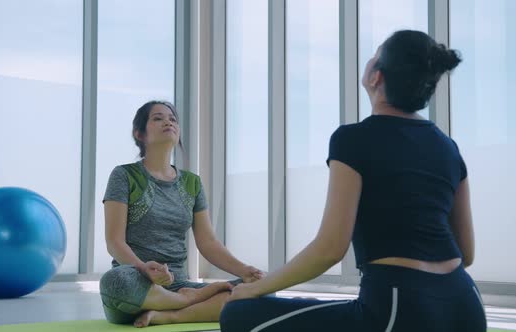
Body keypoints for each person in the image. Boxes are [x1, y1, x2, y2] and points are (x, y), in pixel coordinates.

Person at [220, 30, 487, 332]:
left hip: (399, 310)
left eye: (374, 55)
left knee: (237, 314)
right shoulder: (448, 146)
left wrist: (257, 288)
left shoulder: (353, 139)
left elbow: (330, 248)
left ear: (376, 77)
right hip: (467, 307)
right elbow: (467, 253)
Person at [99, 100, 264, 328]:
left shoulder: (191, 183)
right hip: (138, 285)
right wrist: (143, 269)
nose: (168, 121)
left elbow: (208, 243)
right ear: (140, 134)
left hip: (179, 285)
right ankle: (191, 301)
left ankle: (170, 314)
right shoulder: (123, 175)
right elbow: (114, 241)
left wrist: (244, 270)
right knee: (114, 281)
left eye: (172, 118)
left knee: (261, 292)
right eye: (158, 118)